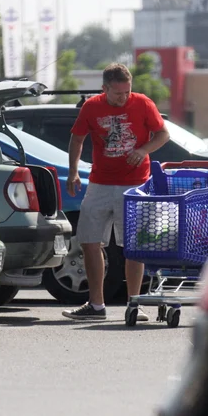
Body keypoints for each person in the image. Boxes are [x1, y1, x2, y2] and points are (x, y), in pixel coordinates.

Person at [62, 63, 170, 320]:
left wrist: (143, 150)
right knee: (88, 241)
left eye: (127, 92)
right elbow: (77, 138)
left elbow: (163, 134)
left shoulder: (143, 103)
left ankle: (134, 304)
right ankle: (96, 305)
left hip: (134, 183)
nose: (124, 97)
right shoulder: (91, 107)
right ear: (105, 89)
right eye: (118, 93)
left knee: (133, 246)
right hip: (99, 182)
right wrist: (74, 171)